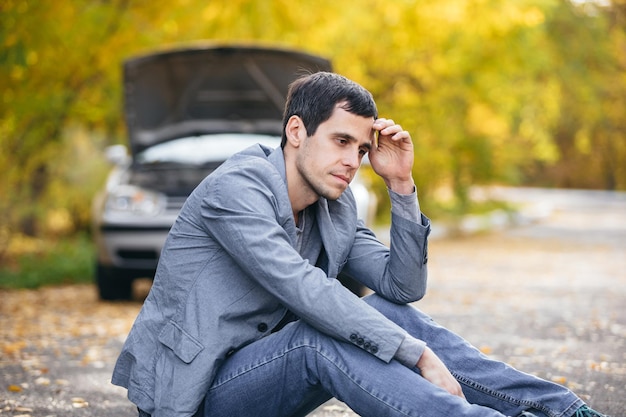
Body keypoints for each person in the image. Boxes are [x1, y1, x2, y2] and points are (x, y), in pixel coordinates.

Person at [111, 71, 609, 417]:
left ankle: (562, 410)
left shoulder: (338, 206)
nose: (353, 161)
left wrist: (401, 186)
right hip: (192, 394)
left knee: (398, 317)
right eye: (341, 141)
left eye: (363, 148)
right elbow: (304, 289)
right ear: (296, 131)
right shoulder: (236, 190)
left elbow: (404, 287)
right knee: (317, 335)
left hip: (262, 375)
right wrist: (417, 357)